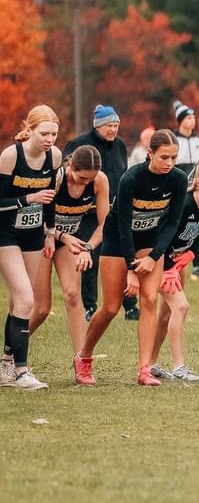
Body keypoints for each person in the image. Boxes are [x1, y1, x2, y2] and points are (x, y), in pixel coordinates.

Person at [72, 129, 187, 387]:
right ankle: (84, 356)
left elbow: (173, 223)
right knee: (112, 307)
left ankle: (144, 369)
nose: (169, 163)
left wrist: (154, 256)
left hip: (150, 241)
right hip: (118, 240)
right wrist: (132, 270)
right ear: (150, 154)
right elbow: (123, 225)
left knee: (149, 299)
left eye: (174, 158)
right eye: (164, 157)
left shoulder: (178, 180)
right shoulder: (131, 178)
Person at [28, 145, 110, 364]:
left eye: (89, 180)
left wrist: (89, 248)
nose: (85, 183)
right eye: (81, 178)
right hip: (42, 238)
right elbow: (36, 218)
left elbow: (105, 224)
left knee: (74, 295)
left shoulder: (99, 180)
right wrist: (62, 236)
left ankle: (82, 357)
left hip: (69, 242)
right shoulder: (57, 178)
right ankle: (12, 350)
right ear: (70, 165)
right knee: (42, 308)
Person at [0, 106, 62, 390]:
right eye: (44, 133)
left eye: (54, 133)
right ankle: (22, 371)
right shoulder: (11, 156)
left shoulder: (56, 156)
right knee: (26, 298)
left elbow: (49, 198)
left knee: (20, 302)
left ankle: (6, 365)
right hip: (6, 233)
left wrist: (49, 233)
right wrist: (28, 198)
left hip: (33, 236)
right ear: (31, 129)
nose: (50, 139)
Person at [149, 159, 199, 381]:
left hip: (176, 261)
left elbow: (198, 233)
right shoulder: (184, 203)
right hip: (157, 259)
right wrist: (168, 267)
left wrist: (190, 254)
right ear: (198, 184)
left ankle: (149, 364)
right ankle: (179, 367)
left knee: (166, 313)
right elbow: (159, 237)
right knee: (181, 307)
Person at [68, 105, 130, 321]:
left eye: (116, 125)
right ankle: (90, 305)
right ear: (98, 126)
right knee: (91, 257)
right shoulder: (79, 144)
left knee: (125, 255)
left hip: (116, 209)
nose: (113, 130)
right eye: (109, 126)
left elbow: (124, 175)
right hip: (88, 211)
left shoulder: (120, 145)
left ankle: (130, 305)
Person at [172, 100, 199, 276]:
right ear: (180, 121)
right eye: (188, 118)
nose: (192, 121)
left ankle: (198, 265)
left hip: (197, 190)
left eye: (193, 118)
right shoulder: (173, 141)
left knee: (198, 225)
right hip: (179, 189)